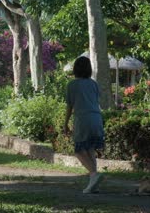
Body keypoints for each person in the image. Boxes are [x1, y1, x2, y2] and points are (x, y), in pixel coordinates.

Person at [63, 56, 105, 194]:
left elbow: (70, 106)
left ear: (75, 69)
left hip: (83, 119)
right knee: (90, 149)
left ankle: (93, 174)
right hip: (97, 118)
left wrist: (65, 124)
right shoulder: (94, 84)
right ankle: (94, 183)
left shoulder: (72, 85)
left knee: (79, 150)